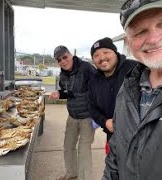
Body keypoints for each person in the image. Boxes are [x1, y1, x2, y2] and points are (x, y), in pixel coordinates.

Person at [103, 0, 162, 179]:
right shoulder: (129, 86)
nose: (154, 39)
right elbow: (115, 152)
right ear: (129, 42)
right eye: (140, 31)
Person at [49, 45, 97, 180]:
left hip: (87, 117)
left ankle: (85, 177)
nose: (63, 61)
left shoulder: (87, 68)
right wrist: (59, 93)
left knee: (84, 149)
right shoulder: (62, 74)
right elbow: (67, 92)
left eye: (64, 57)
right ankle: (71, 173)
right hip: (72, 116)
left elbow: (98, 88)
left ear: (70, 54)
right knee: (68, 146)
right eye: (59, 60)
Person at [88, 37, 136, 155]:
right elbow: (91, 108)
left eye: (105, 52)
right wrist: (105, 122)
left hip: (140, 140)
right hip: (112, 138)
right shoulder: (94, 80)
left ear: (115, 52)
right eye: (96, 55)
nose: (102, 57)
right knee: (113, 171)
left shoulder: (136, 69)